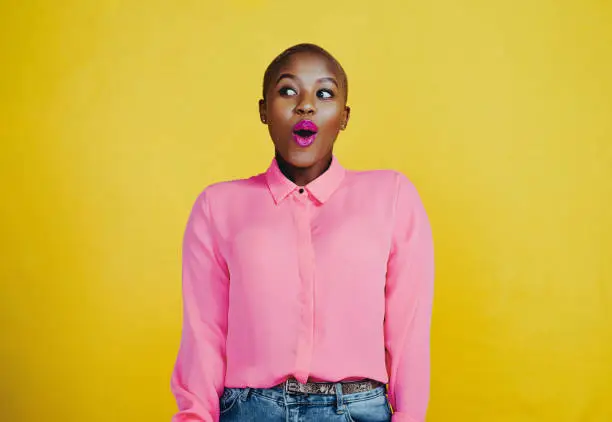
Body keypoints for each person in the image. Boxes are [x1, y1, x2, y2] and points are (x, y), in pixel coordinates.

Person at [170, 43, 434, 422]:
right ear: (264, 110)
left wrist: (410, 415)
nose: (305, 105)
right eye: (288, 91)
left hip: (358, 410)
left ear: (344, 116)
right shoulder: (217, 206)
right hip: (249, 411)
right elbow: (203, 334)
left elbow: (409, 330)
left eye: (323, 93)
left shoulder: (391, 196)